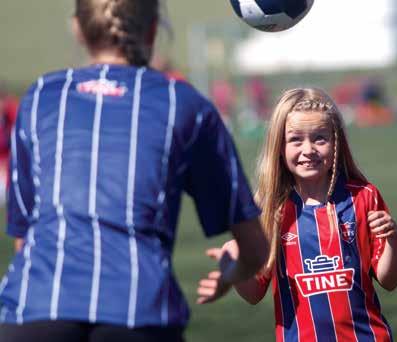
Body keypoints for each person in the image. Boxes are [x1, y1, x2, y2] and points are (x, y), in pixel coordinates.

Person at [0, 1, 268, 341]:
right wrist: (233, 274)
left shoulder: (40, 96)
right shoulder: (184, 104)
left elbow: (24, 236)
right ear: (154, 30)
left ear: (77, 30)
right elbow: (256, 249)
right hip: (139, 313)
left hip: (34, 310)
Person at [205, 88, 397, 341]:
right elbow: (253, 293)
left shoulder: (364, 197)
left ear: (336, 143)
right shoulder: (270, 211)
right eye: (295, 140)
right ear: (279, 147)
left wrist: (393, 239)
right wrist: (235, 268)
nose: (308, 149)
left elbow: (390, 280)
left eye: (320, 138)